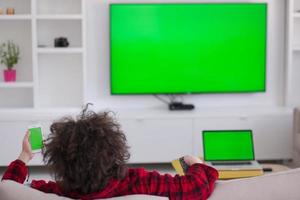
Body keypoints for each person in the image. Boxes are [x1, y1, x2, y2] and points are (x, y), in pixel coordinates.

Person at [1, 107, 218, 200]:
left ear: (60, 164)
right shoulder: (139, 182)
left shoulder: (51, 191)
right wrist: (199, 164)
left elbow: (8, 190)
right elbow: (196, 188)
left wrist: (25, 156)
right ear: (114, 152)